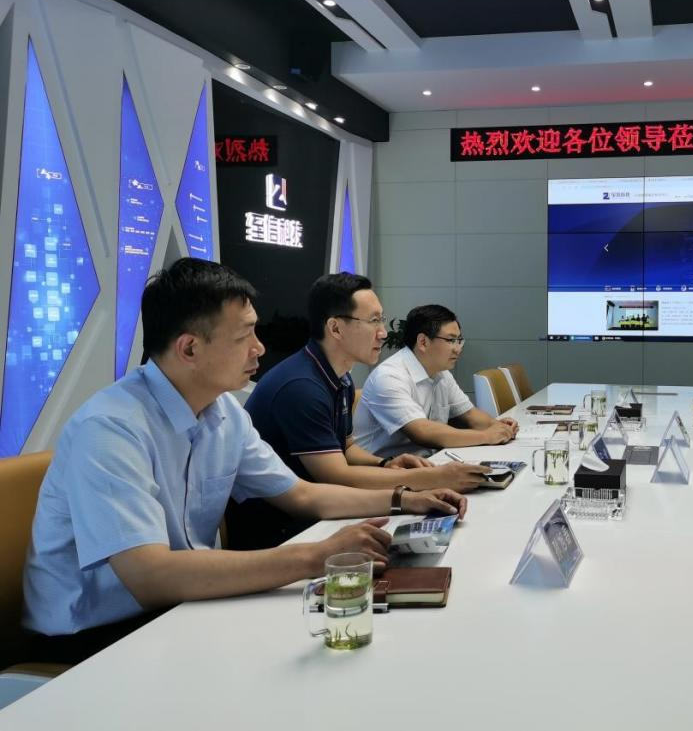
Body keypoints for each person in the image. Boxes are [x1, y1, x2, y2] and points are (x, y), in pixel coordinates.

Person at [22, 259, 466, 662]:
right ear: (189, 349)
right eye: (244, 336)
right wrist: (316, 557)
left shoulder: (224, 412)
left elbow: (303, 494)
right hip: (94, 635)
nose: (259, 348)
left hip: (178, 606)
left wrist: (404, 499)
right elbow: (150, 575)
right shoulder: (110, 427)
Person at [228, 273, 491, 549]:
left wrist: (385, 464)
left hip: (324, 509)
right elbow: (336, 475)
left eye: (381, 319)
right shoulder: (301, 386)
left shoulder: (339, 377)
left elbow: (346, 447)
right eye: (373, 320)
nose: (383, 332)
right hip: (283, 531)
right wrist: (428, 480)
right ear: (335, 328)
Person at [355, 304, 519, 457]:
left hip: (429, 461)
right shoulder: (389, 377)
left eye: (459, 340)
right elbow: (423, 431)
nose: (458, 349)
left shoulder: (441, 373)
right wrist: (486, 436)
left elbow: (469, 414)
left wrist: (497, 426)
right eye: (451, 340)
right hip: (384, 468)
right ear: (423, 342)